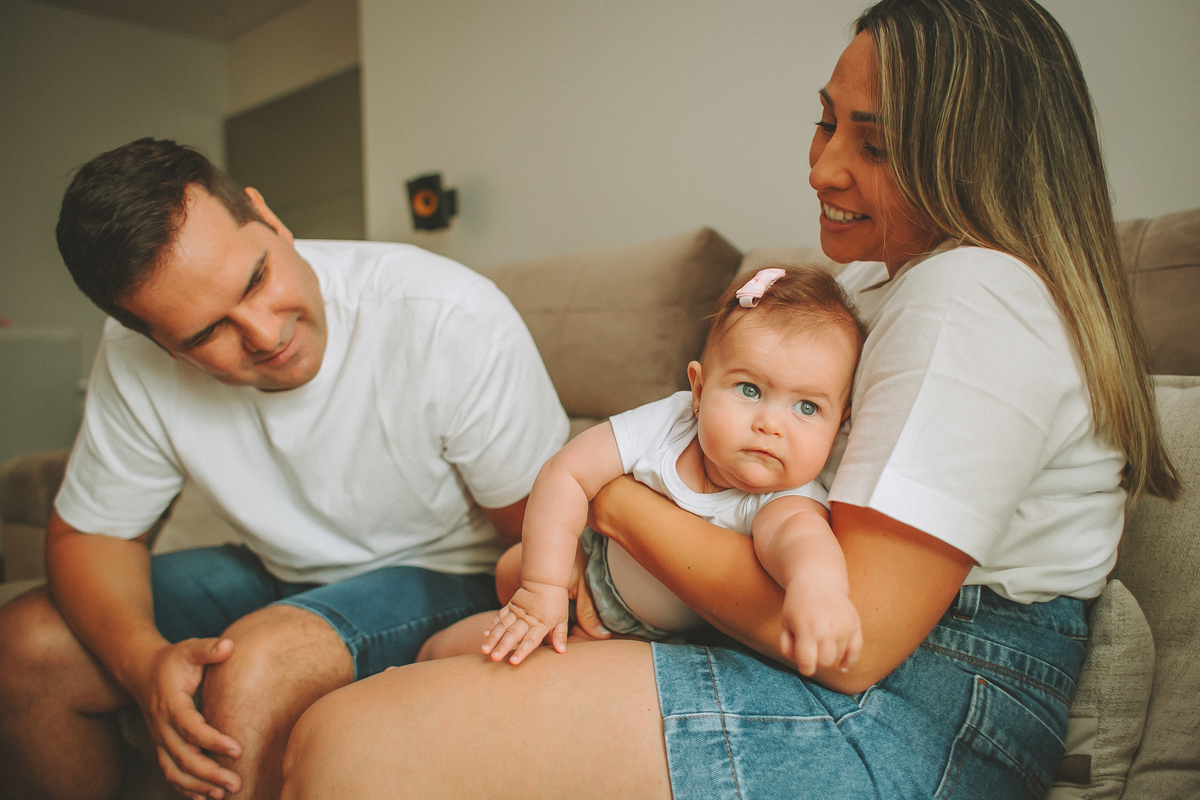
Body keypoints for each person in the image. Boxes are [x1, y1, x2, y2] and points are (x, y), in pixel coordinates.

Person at [278, 1, 1181, 797]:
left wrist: (621, 503)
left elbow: (854, 639)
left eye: (875, 145)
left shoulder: (973, 296)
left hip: (908, 715)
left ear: (972, 159)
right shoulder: (870, 290)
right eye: (825, 123)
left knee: (349, 750)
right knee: (370, 709)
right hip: (807, 654)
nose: (824, 168)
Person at [0, 138, 568, 800]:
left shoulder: (447, 317)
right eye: (205, 333)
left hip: (449, 572)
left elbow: (541, 542)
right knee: (27, 642)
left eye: (257, 279)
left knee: (258, 663)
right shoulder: (135, 357)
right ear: (158, 341)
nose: (266, 334)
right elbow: (89, 537)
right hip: (282, 572)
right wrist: (141, 664)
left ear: (269, 219)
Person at [482, 266, 866, 676]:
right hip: (589, 561)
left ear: (840, 424)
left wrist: (818, 591)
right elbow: (567, 472)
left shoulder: (786, 498)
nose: (771, 425)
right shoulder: (671, 424)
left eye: (807, 408)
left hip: (657, 642)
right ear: (699, 391)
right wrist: (544, 587)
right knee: (511, 568)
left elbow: (802, 543)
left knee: (567, 668)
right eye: (749, 390)